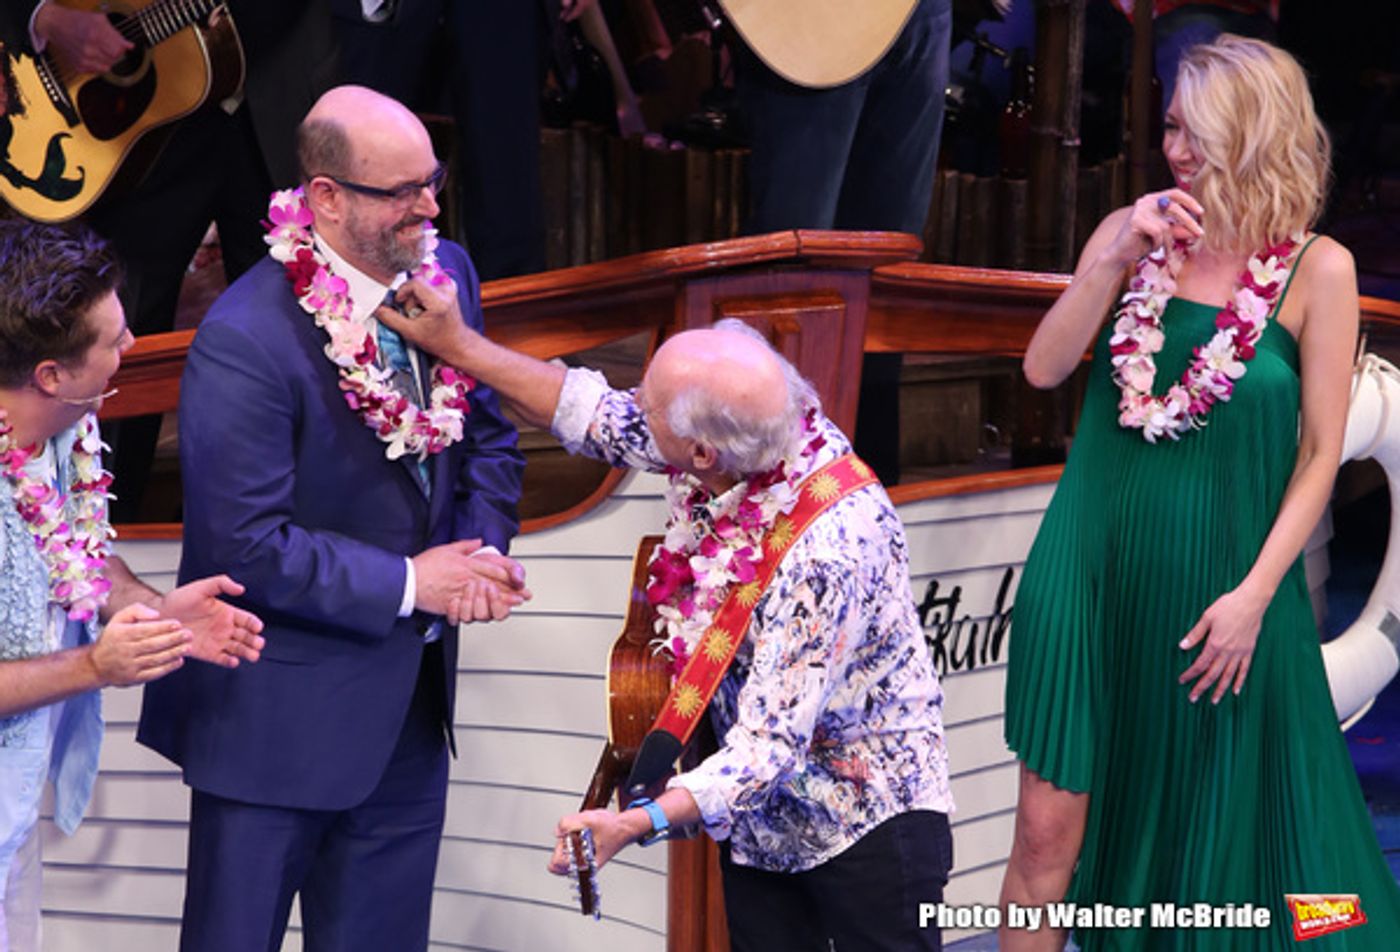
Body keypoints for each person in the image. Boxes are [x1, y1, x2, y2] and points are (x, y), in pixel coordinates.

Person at [372, 296, 955, 948]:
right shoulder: (744, 433)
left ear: (702, 454)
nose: (634, 414)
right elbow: (594, 415)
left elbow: (766, 753)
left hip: (864, 821)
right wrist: (459, 344)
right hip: (762, 829)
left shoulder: (832, 550)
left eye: (649, 411)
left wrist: (633, 824)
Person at [999, 35, 1400, 950]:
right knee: (1042, 832)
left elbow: (1320, 456)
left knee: (1219, 851)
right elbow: (1042, 366)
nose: (1175, 149)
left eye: (1196, 129)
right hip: (1090, 570)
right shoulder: (1133, 235)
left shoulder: (1318, 270)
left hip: (1222, 589)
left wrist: (1258, 597)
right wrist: (1111, 258)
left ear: (1254, 132)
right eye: (1172, 126)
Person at [134, 86, 528, 952]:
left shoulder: (447, 272)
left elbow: (491, 440)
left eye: (434, 181)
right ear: (326, 199)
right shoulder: (246, 337)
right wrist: (415, 582)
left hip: (409, 722)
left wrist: (482, 556)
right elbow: (249, 544)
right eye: (403, 192)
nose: (429, 207)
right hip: (274, 722)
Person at [0, 218, 265, 951]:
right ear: (51, 373)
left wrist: (154, 612)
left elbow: (83, 557)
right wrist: (94, 666)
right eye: (113, 341)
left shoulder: (64, 427)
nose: (133, 348)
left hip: (13, 806)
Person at [2, 0, 340, 521]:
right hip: (121, 125)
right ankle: (98, 540)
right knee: (117, 335)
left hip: (278, 97)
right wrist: (42, 16)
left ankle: (308, 540)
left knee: (308, 329)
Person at [734, 0, 953, 487]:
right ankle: (771, 494)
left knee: (887, 259)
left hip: (916, 13)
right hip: (812, 20)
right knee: (794, 267)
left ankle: (868, 492)